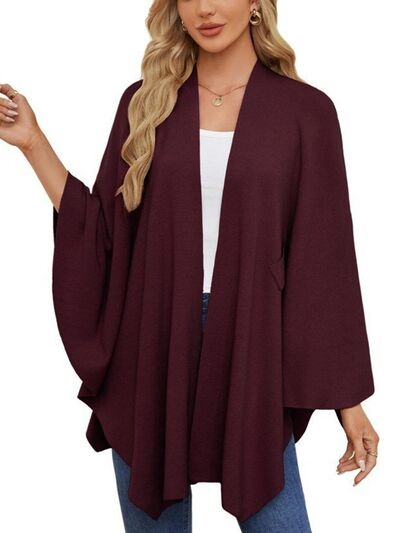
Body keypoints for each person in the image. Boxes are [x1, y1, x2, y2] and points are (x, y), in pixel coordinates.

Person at [0, 1, 379, 531]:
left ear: (256, 4)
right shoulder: (146, 102)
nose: (205, 8)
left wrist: (348, 403)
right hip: (151, 347)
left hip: (252, 345)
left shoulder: (306, 112)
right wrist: (32, 143)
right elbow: (103, 233)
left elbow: (324, 261)